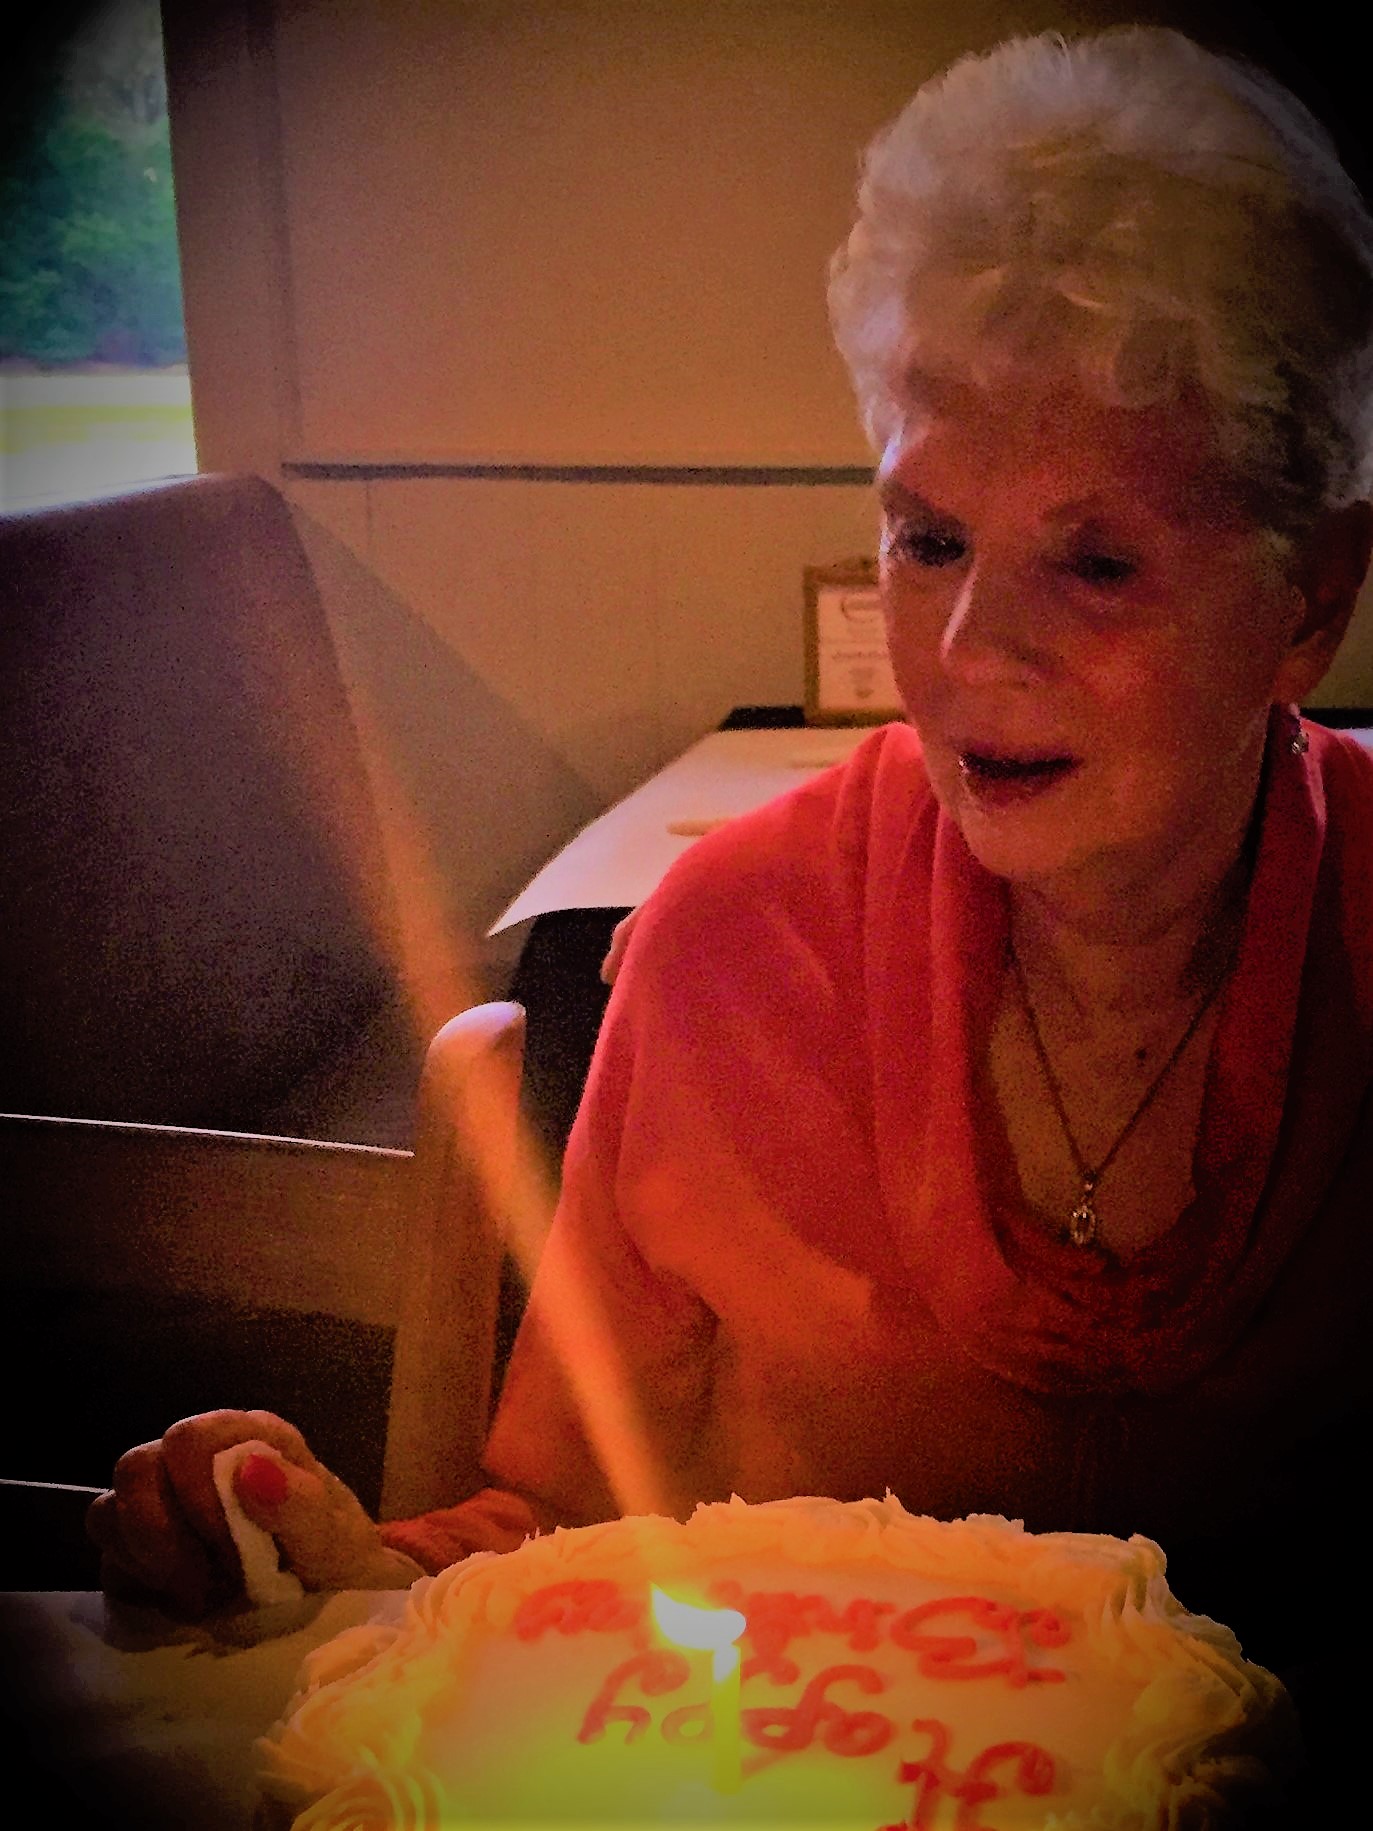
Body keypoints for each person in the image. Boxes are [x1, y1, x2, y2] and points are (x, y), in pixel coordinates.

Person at [89, 24, 1373, 1764]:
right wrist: (327, 1572)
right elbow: (560, 1542)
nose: (971, 649)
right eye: (927, 540)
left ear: (1310, 599)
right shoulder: (730, 946)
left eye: (1095, 562)